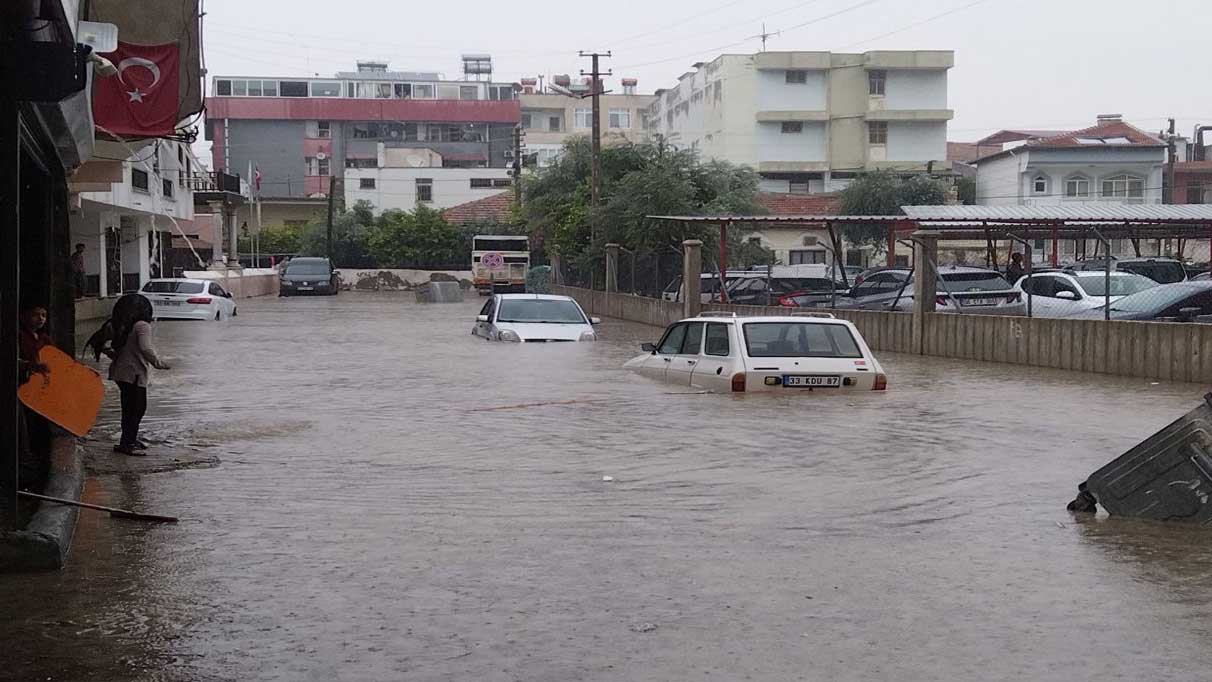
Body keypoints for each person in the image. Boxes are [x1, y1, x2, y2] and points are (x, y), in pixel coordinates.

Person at [88, 294, 170, 456]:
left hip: (120, 372)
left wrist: (114, 355)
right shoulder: (142, 326)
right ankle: (128, 443)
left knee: (129, 407)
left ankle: (128, 440)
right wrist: (158, 363)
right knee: (138, 408)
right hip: (134, 373)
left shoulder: (120, 324)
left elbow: (99, 343)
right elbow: (145, 348)